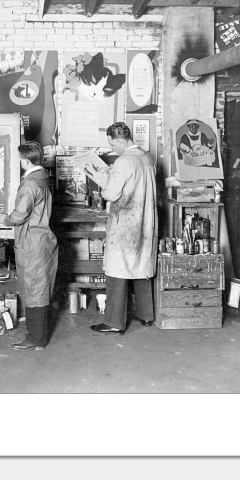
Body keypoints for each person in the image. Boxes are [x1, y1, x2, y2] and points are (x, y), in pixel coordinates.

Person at [85, 122, 158, 333]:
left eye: (112, 143)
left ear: (119, 140)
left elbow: (111, 194)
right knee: (141, 266)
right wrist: (102, 175)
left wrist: (98, 178)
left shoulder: (124, 160)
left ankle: (113, 322)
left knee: (117, 269)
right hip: (145, 221)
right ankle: (146, 315)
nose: (112, 148)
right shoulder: (146, 157)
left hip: (126, 221)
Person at [0, 141, 58, 351]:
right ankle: (37, 335)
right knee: (37, 287)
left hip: (32, 242)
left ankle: (37, 338)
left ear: (25, 161)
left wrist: (4, 219)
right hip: (40, 239)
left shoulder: (31, 183)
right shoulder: (41, 177)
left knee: (34, 289)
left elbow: (20, 214)